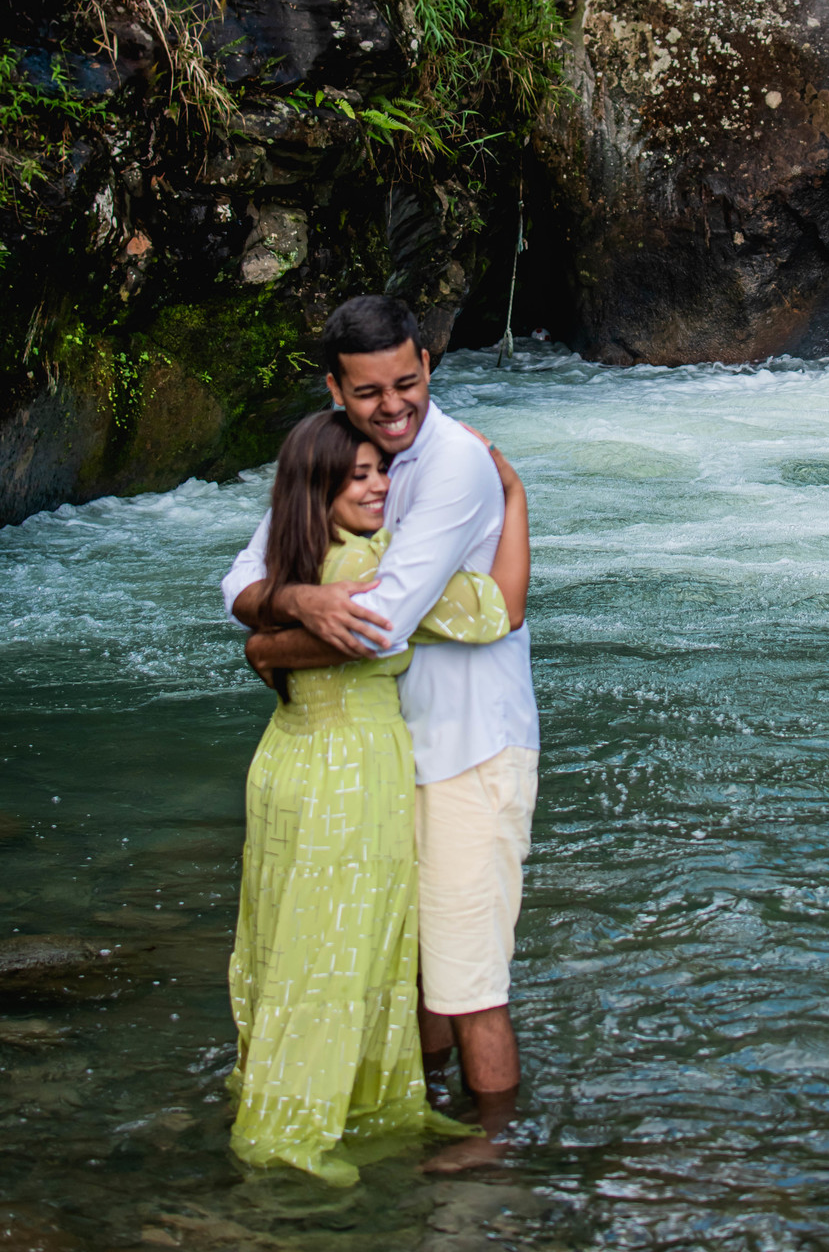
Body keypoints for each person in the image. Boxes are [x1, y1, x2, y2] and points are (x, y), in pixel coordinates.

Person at [222, 295, 540, 1173]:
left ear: (430, 366)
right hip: (389, 752)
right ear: (336, 388)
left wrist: (265, 647)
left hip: (472, 749)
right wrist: (292, 602)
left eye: (408, 382)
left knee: (468, 976)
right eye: (369, 392)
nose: (393, 405)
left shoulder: (455, 466)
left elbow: (387, 622)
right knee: (411, 963)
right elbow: (243, 575)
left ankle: (496, 1142)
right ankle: (419, 1110)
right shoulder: (349, 458)